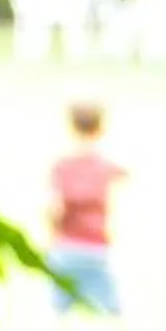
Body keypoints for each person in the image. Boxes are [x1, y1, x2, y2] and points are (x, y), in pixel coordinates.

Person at [47, 101, 127, 317]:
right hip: (96, 249)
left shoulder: (61, 167)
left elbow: (55, 210)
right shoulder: (106, 167)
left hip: (64, 248)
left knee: (58, 314)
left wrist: (51, 237)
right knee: (114, 313)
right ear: (100, 128)